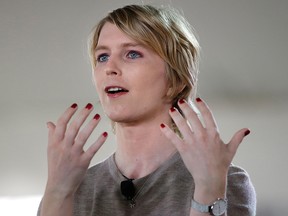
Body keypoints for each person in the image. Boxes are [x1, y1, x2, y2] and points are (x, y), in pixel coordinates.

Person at [38, 4, 256, 216]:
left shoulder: (226, 182)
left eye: (132, 54)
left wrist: (208, 191)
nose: (109, 68)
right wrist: (57, 192)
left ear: (176, 79)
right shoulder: (75, 188)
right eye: (102, 57)